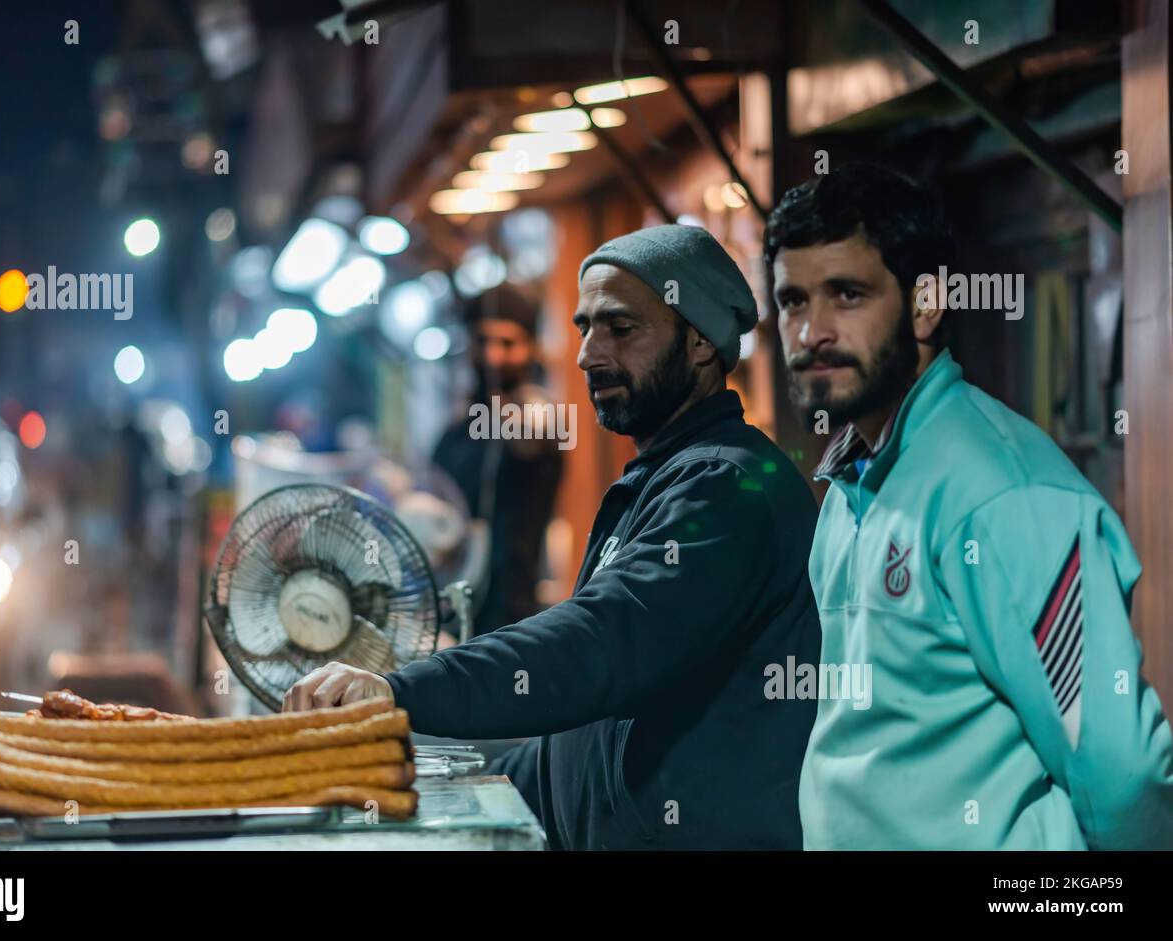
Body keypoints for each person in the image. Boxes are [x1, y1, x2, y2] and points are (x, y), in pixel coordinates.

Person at [285, 224, 822, 849]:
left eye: (620, 328)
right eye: (583, 327)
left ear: (700, 341)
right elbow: (584, 740)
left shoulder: (728, 486)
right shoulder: (657, 482)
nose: (589, 354)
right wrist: (461, 783)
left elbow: (602, 641)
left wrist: (401, 690)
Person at [766, 161, 1173, 849]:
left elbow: (1123, 773)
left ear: (925, 304)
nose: (812, 332)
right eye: (793, 301)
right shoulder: (851, 482)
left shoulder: (1004, 494)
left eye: (847, 294)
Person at [432, 284, 562, 635]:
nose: (492, 356)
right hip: (451, 606)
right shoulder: (457, 426)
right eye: (483, 341)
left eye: (507, 343)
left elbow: (530, 443)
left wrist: (501, 406)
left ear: (531, 348)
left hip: (510, 612)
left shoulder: (541, 414)